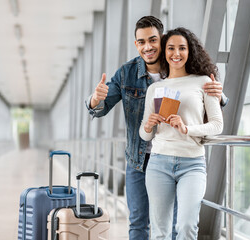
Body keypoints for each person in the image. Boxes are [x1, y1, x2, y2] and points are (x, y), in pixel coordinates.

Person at [86, 16, 227, 240]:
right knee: (139, 222)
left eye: (153, 40)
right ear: (136, 44)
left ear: (162, 39)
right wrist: (95, 100)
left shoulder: (180, 63)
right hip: (139, 159)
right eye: (141, 42)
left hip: (183, 155)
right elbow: (101, 107)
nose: (148, 47)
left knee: (178, 225)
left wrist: (220, 94)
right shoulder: (127, 73)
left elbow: (209, 96)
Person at [139, 27, 224, 239]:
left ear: (190, 51)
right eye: (171, 48)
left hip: (192, 163)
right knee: (160, 232)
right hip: (159, 163)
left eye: (182, 48)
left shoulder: (204, 81)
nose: (176, 53)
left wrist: (187, 129)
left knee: (186, 226)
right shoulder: (154, 89)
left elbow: (216, 125)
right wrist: (148, 126)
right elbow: (144, 135)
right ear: (164, 52)